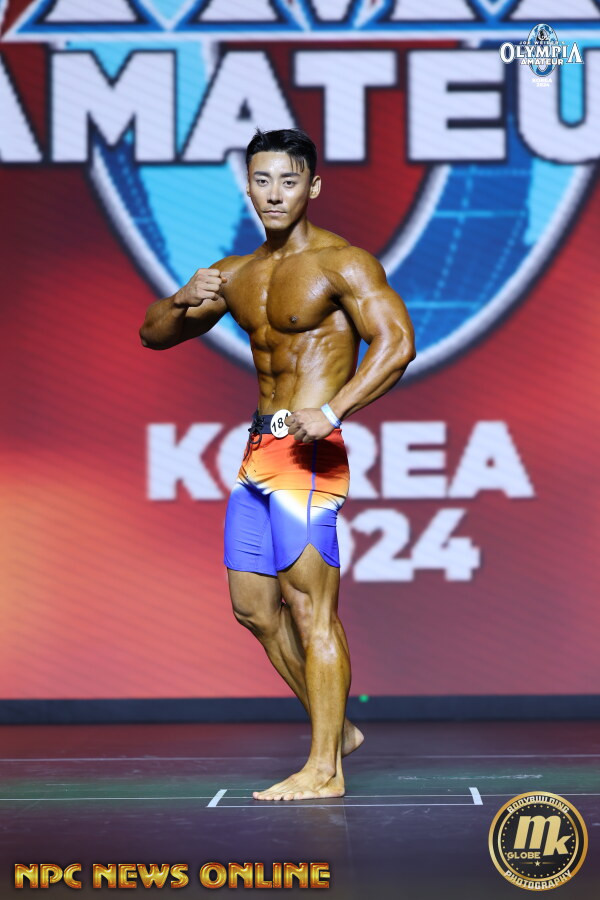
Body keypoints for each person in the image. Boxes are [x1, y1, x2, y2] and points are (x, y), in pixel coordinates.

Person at [139, 127, 416, 801]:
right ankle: (338, 728)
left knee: (309, 607)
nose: (274, 193)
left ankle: (325, 770)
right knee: (255, 609)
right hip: (259, 449)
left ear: (311, 187)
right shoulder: (237, 273)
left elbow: (398, 343)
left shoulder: (341, 263)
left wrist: (336, 408)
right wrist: (182, 296)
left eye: (288, 181)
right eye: (262, 180)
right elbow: (153, 335)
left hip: (309, 451)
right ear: (248, 187)